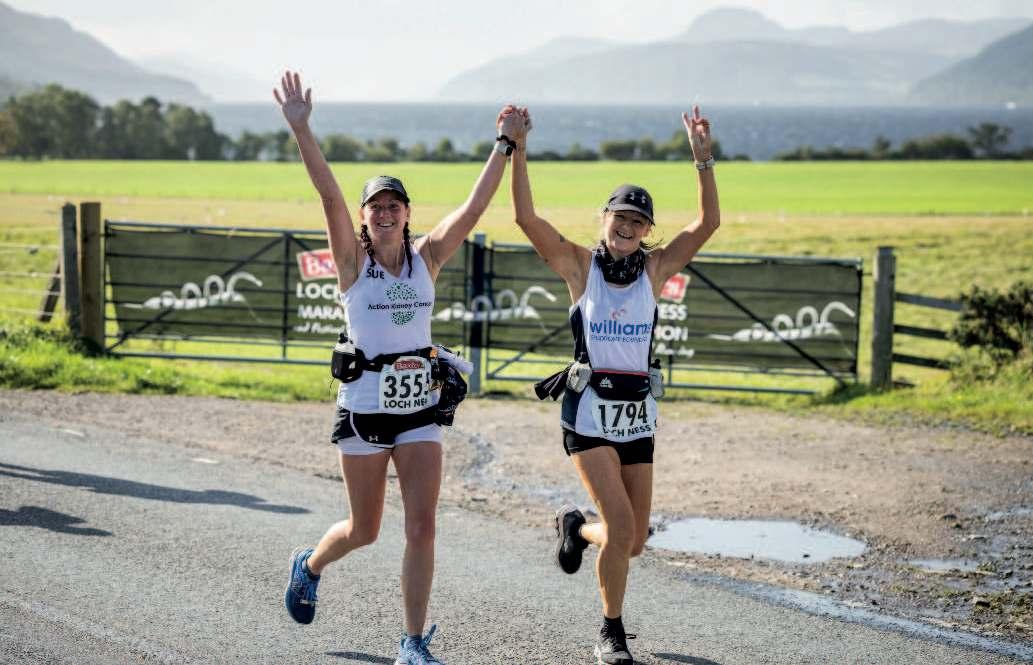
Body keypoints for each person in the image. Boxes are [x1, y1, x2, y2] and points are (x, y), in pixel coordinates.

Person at [275, 70, 523, 665]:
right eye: (375, 206)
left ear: (408, 213)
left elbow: (474, 208)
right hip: (364, 409)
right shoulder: (352, 263)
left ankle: (412, 643)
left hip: (419, 411)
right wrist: (302, 128)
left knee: (422, 527)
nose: (384, 213)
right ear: (364, 218)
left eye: (394, 205)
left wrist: (505, 145)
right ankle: (311, 565)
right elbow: (329, 197)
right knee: (365, 530)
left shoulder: (427, 257)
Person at [510, 105, 720, 665]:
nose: (627, 227)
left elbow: (707, 224)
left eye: (638, 221)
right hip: (588, 412)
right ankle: (611, 632)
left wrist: (703, 159)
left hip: (637, 415)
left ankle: (577, 529)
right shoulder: (581, 268)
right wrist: (518, 148)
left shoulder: (654, 271)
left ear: (647, 231)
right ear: (603, 218)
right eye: (619, 217)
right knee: (623, 525)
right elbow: (526, 218)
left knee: (634, 540)